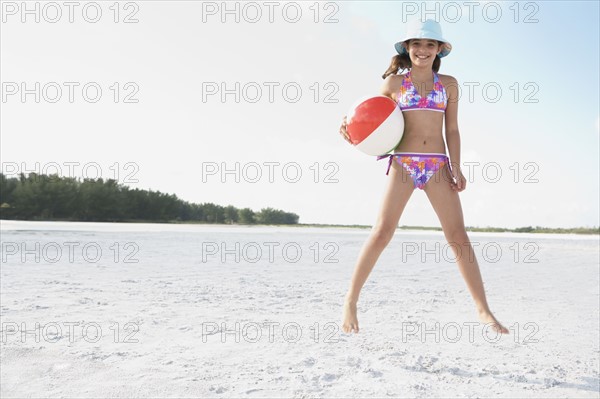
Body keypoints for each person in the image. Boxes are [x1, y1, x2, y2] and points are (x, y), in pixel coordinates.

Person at [339, 19, 508, 335]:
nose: (423, 50)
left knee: (458, 236)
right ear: (407, 48)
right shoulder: (392, 85)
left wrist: (455, 167)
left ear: (440, 49)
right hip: (404, 162)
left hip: (437, 164)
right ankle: (351, 299)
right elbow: (368, 119)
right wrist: (347, 127)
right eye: (417, 44)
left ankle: (483, 309)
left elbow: (453, 129)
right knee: (382, 232)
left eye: (430, 44)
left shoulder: (449, 84)